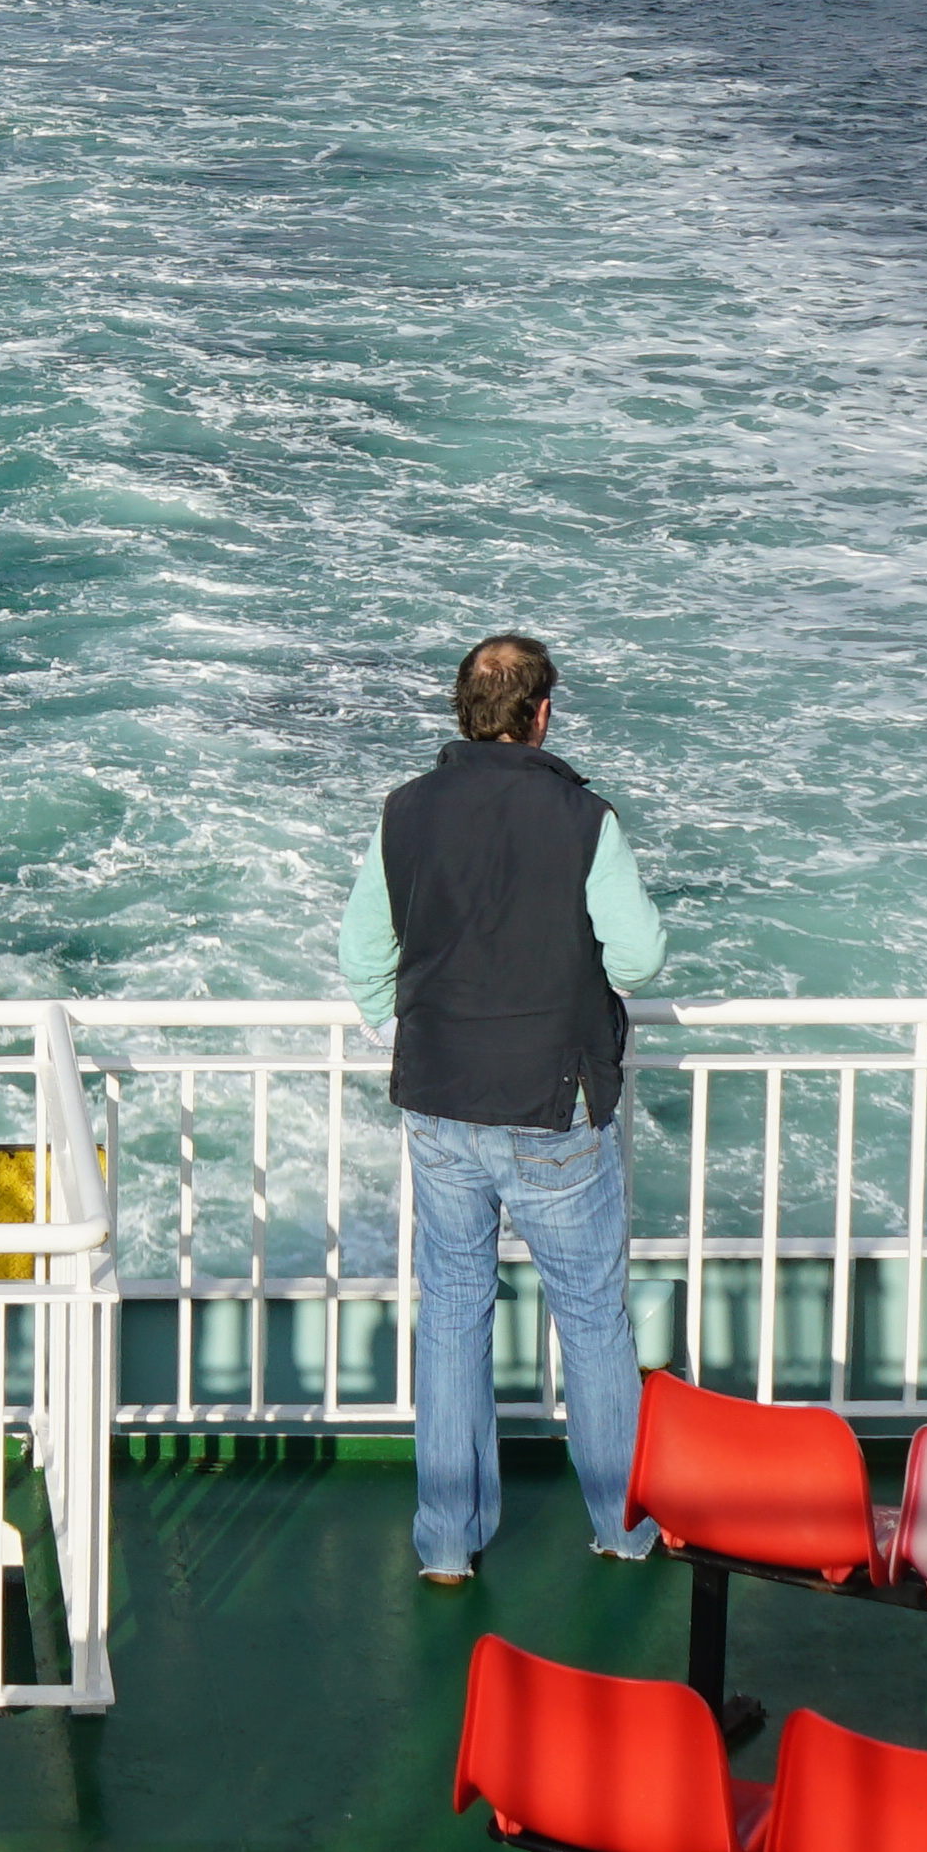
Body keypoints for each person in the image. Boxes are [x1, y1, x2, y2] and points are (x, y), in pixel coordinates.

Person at [344, 631, 669, 1584]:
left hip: (440, 1101)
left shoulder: (402, 813)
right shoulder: (583, 819)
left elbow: (364, 954)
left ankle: (448, 1539)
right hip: (551, 1103)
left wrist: (398, 1026)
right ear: (541, 715)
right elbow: (640, 958)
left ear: (462, 711)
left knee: (450, 1315)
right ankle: (618, 1522)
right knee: (592, 1320)